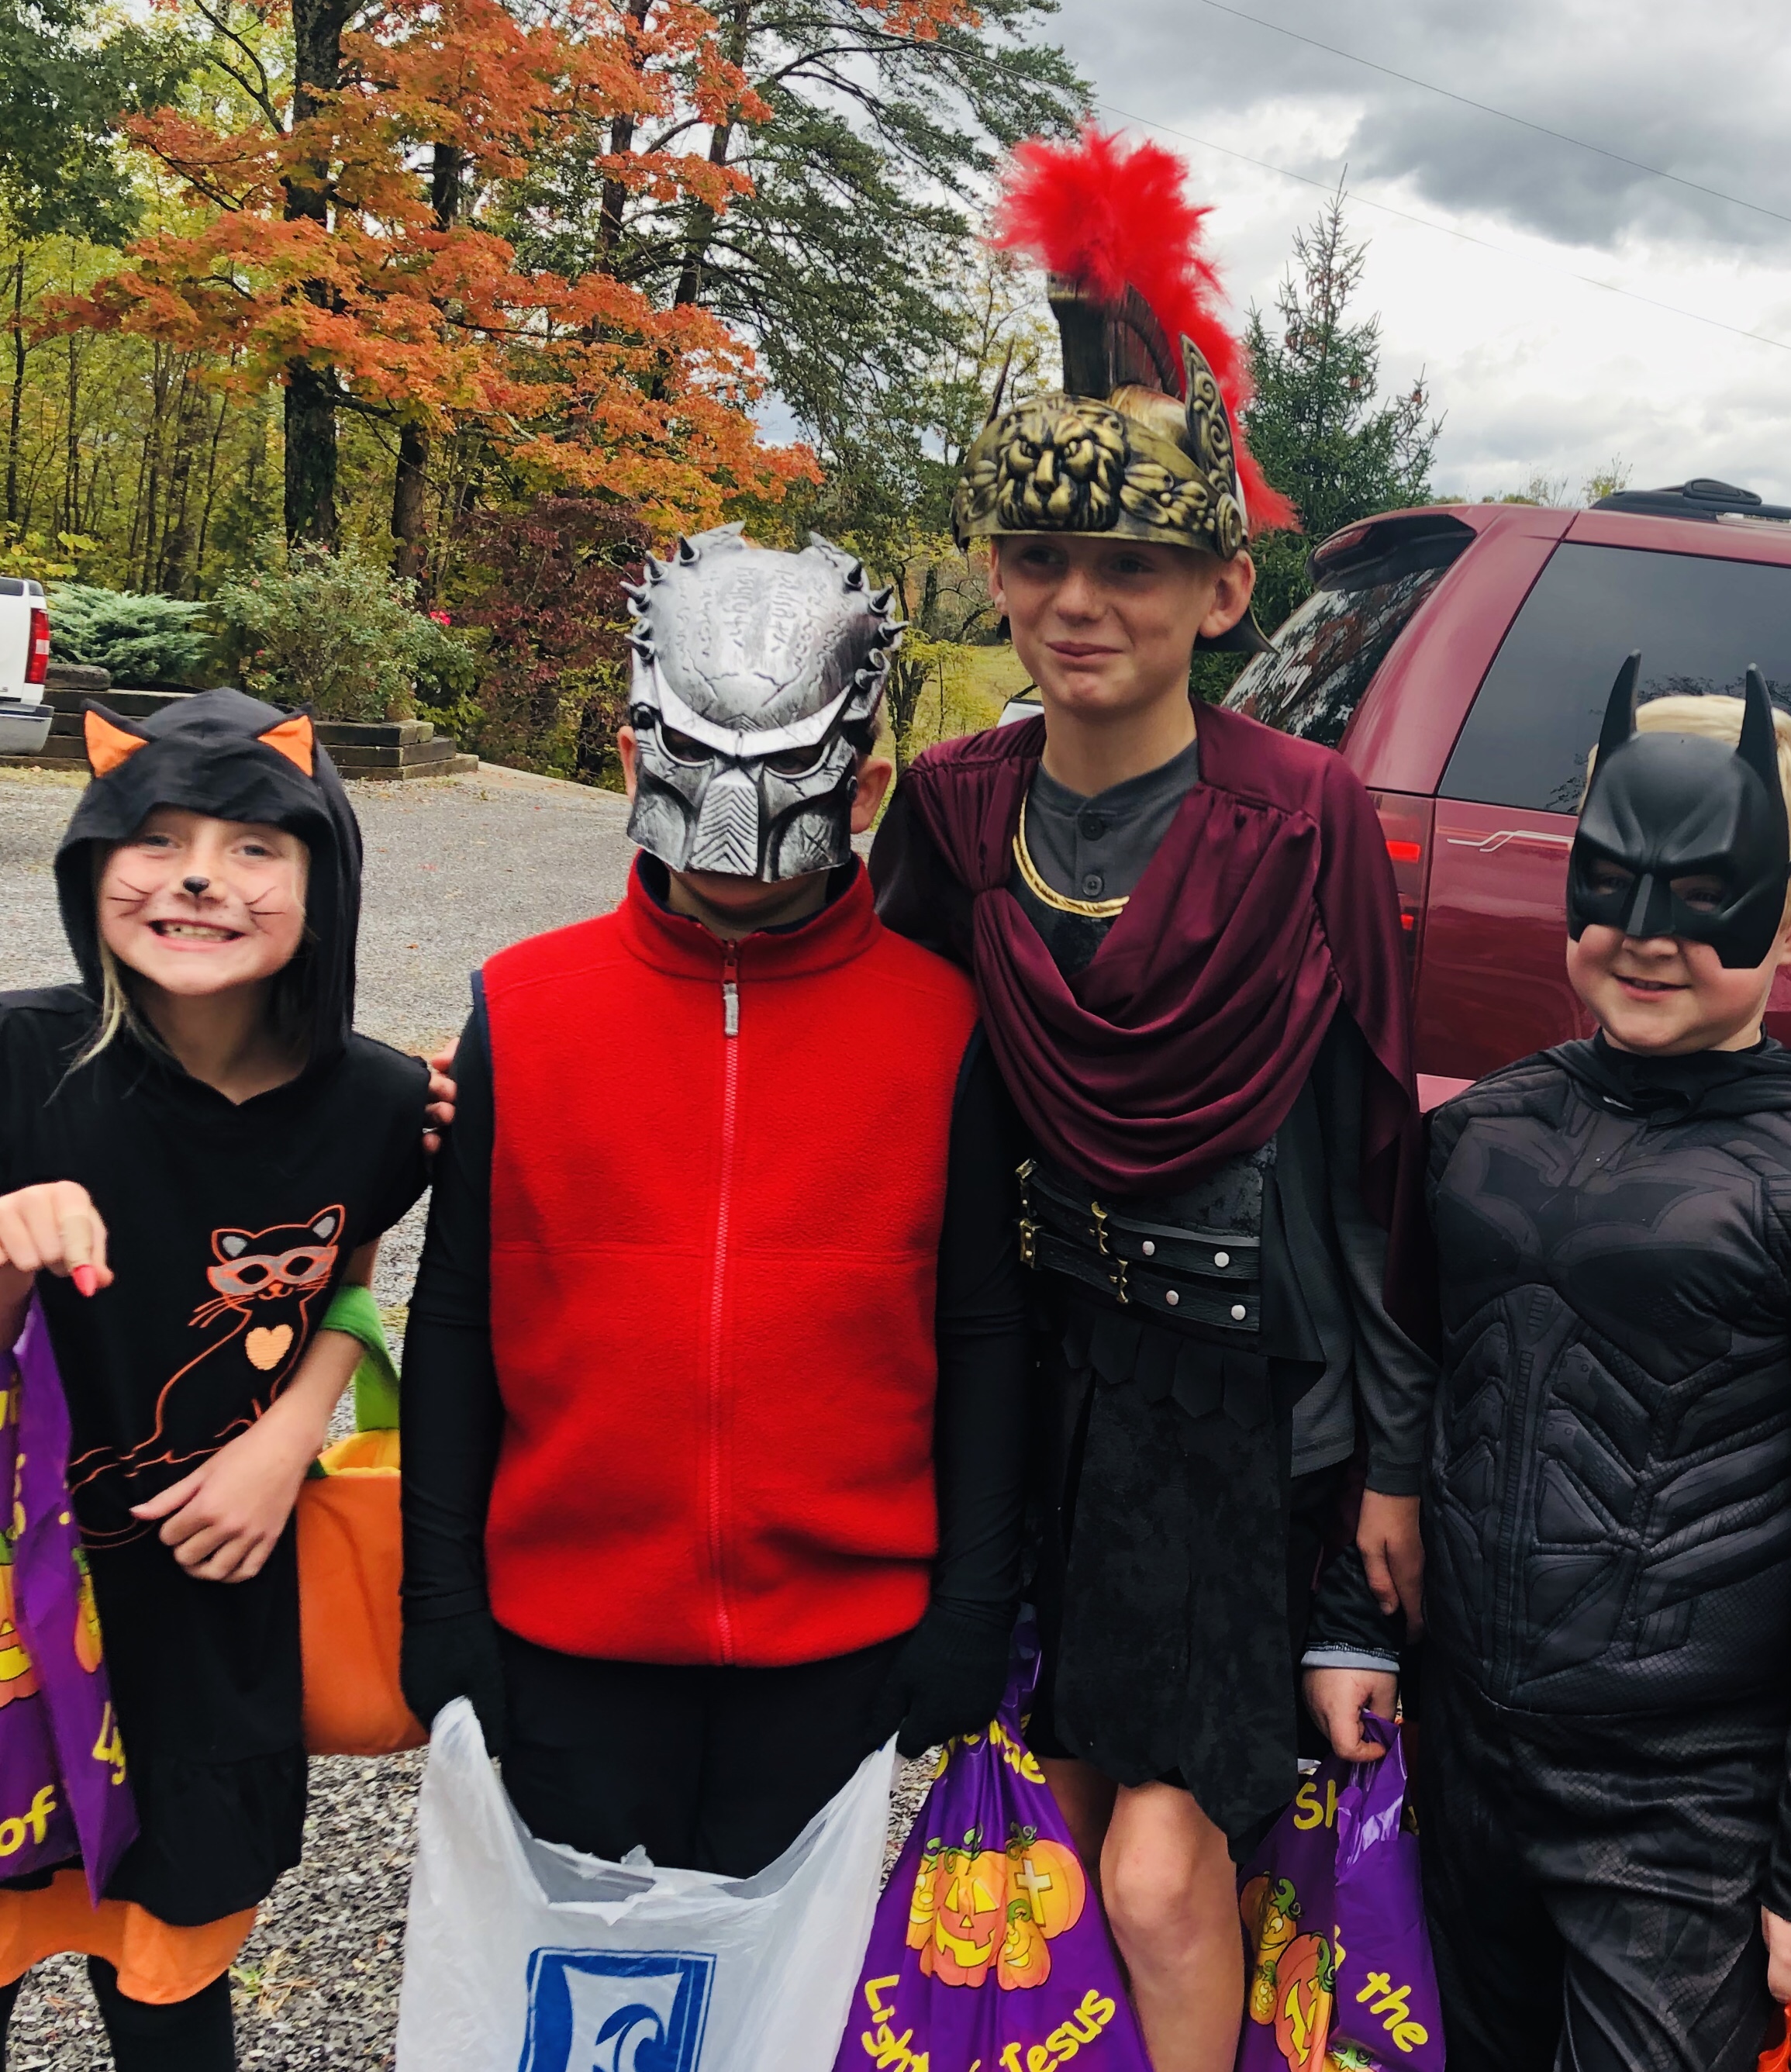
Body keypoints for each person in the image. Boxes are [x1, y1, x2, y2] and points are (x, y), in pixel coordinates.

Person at [868, 124, 1434, 2072]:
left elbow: (1370, 1158)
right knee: (1055, 1828)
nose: (1078, 602)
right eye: (1040, 560)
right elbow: (865, 1055)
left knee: (1166, 1869)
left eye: (1131, 565)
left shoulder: (1307, 814)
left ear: (1221, 587)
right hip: (1032, 1383)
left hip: (1234, 1412)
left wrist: (1386, 1466)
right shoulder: (958, 805)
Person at [1303, 662, 1791, 2072]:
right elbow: (1408, 1391)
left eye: (1707, 892)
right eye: (1612, 879)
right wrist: (1353, 1630)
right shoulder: (1477, 1140)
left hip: (1688, 1805)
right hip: (1471, 1754)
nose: (1647, 934)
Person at [396, 526, 1030, 1879]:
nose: (740, 833)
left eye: (790, 779)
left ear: (864, 789)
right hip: (568, 1640)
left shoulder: (944, 1029)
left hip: (836, 1648)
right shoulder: (524, 1009)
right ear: (634, 761)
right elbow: (454, 1317)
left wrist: (973, 1598)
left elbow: (982, 1331)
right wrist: (439, 1590)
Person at [0, 690, 432, 2068]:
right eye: (156, 839)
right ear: (91, 867)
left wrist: (288, 1435)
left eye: (254, 847)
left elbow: (346, 1280)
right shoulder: (17, 1060)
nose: (197, 876)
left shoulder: (379, 1104)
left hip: (207, 1619)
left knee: (175, 1981)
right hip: (15, 1631)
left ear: (326, 881)